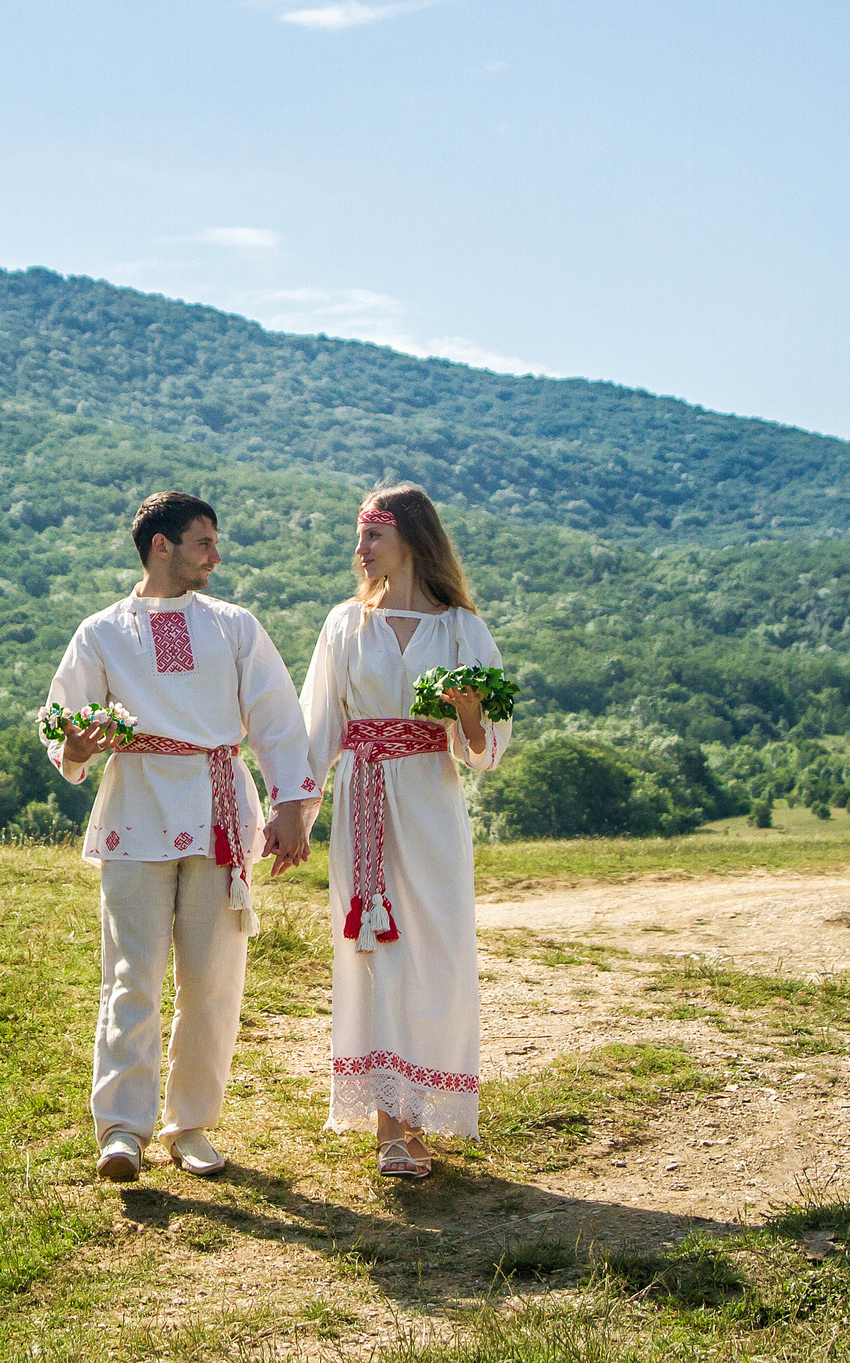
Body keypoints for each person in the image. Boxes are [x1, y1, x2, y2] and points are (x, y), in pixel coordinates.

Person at [46, 490, 321, 1182]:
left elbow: (277, 718)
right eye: (204, 542)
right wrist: (77, 744)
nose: (216, 555)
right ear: (160, 545)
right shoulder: (102, 631)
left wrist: (291, 804)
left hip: (219, 806)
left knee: (211, 979)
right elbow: (61, 721)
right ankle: (121, 1128)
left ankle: (190, 1122)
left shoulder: (234, 626)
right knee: (129, 973)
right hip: (136, 806)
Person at [299, 484, 509, 1177]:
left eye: (372, 538)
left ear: (412, 540)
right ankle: (394, 1127)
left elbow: (482, 749)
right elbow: (316, 733)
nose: (359, 552)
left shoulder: (462, 631)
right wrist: (291, 815)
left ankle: (418, 1111)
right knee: (375, 950)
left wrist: (472, 717)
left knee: (436, 954)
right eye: (360, 538)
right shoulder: (344, 626)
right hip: (364, 801)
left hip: (429, 803)